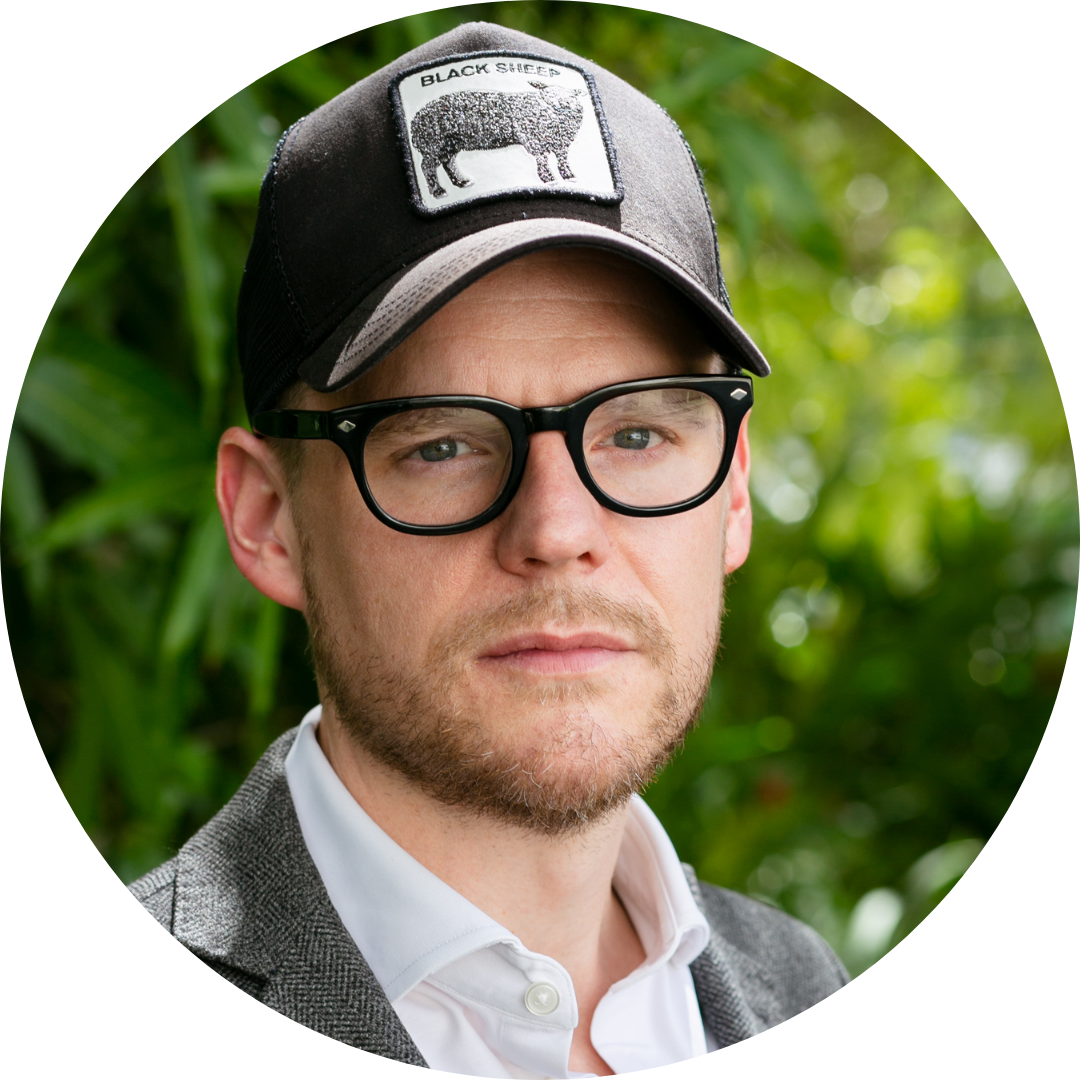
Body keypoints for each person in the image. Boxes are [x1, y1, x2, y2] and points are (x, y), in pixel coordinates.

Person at [129, 21, 848, 1072]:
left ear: (733, 493)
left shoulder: (798, 981)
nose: (557, 532)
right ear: (267, 518)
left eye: (636, 435)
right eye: (442, 447)